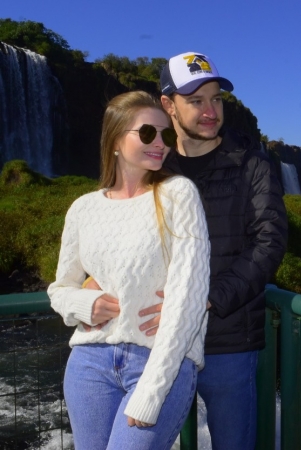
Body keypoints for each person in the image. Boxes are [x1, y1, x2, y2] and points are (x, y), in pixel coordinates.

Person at [48, 91, 210, 449]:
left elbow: (189, 295)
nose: (161, 144)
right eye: (147, 133)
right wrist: (82, 304)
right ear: (116, 140)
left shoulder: (178, 194)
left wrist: (152, 390)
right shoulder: (83, 209)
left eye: (167, 135)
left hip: (157, 361)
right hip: (89, 363)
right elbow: (59, 288)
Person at [148, 51, 287, 449]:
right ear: (167, 105)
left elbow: (269, 242)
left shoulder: (252, 165)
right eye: (196, 101)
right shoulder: (154, 171)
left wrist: (207, 298)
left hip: (228, 343)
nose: (211, 111)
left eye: (217, 99)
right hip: (161, 342)